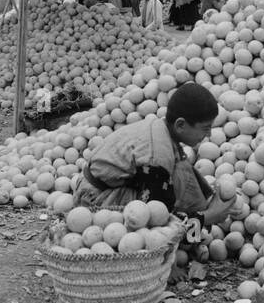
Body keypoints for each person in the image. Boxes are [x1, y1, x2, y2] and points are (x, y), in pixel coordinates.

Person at [72, 82, 237, 227]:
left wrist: (208, 196)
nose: (209, 134)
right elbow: (158, 220)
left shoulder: (160, 127)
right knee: (159, 219)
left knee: (182, 173)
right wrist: (208, 217)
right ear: (180, 125)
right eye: (205, 128)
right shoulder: (157, 158)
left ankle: (196, 221)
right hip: (95, 201)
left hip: (104, 185)